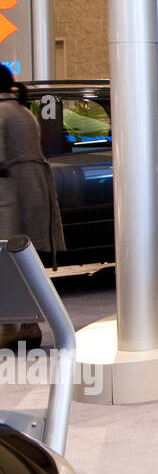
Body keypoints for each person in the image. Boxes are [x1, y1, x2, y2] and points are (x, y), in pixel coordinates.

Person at [0, 66, 65, 350]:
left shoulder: (0, 113)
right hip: (34, 191)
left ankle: (5, 328)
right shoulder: (23, 111)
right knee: (26, 261)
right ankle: (29, 327)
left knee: (4, 262)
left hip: (9, 196)